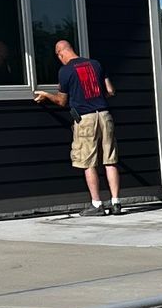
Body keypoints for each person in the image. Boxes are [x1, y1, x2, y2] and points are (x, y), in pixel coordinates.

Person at [36, 38, 121, 215]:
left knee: (88, 161)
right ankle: (116, 202)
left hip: (86, 119)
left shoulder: (65, 71)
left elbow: (61, 101)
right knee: (110, 160)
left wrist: (46, 95)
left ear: (60, 54)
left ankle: (97, 205)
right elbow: (110, 90)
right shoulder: (96, 64)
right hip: (105, 115)